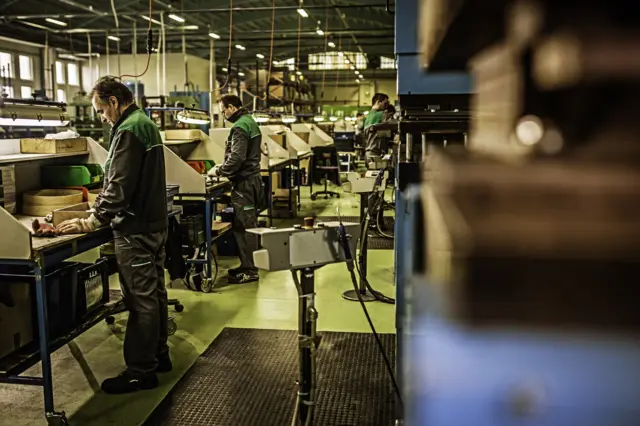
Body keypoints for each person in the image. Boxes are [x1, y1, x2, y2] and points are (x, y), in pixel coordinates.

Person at [56, 76, 170, 394]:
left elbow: (119, 186)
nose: (102, 118)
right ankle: (160, 356)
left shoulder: (130, 128)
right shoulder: (144, 123)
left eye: (102, 111)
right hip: (154, 224)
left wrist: (94, 220)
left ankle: (141, 371)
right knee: (156, 295)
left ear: (114, 102)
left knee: (140, 301)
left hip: (136, 228)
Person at [208, 94, 264, 284]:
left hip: (245, 183)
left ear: (232, 107)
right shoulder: (250, 121)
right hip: (251, 181)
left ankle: (250, 270)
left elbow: (237, 157)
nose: (223, 114)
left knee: (246, 227)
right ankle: (248, 265)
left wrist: (220, 171)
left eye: (223, 110)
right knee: (244, 225)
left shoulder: (240, 126)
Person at [364, 93, 390, 162]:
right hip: (375, 154)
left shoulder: (368, 117)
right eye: (385, 104)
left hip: (368, 153)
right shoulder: (382, 114)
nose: (386, 106)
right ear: (378, 102)